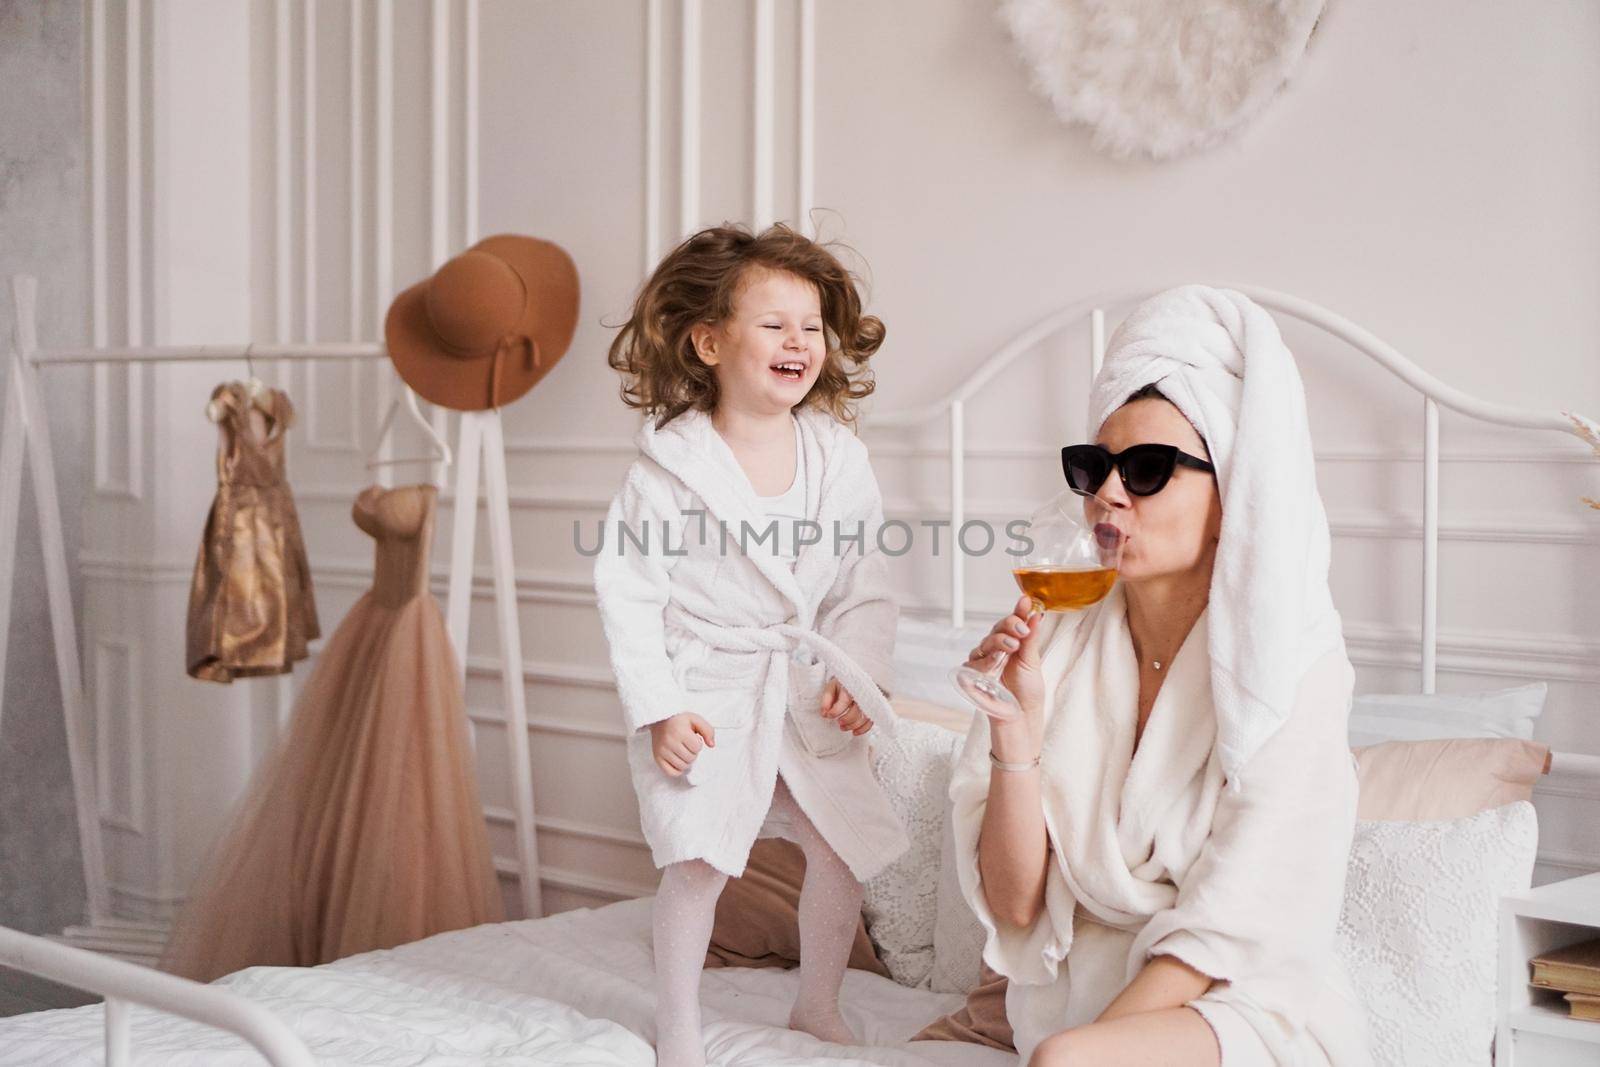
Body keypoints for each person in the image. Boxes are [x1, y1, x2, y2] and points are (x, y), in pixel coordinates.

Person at [950, 286, 1372, 1066]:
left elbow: (1228, 933)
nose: (1110, 493)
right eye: (1094, 466)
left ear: (1231, 493)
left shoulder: (1292, 663)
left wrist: (1081, 1048)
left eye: (1148, 469)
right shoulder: (1062, 639)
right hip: (1074, 1016)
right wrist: (1016, 731)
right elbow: (1014, 905)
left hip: (1239, 1001)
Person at [594, 223, 909, 1067]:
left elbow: (865, 583)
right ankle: (682, 1027)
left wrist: (859, 669)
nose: (798, 342)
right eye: (774, 325)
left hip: (802, 685)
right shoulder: (670, 468)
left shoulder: (839, 457)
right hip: (710, 688)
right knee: (698, 861)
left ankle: (817, 1003)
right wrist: (659, 707)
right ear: (709, 340)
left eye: (811, 326)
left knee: (839, 848)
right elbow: (628, 594)